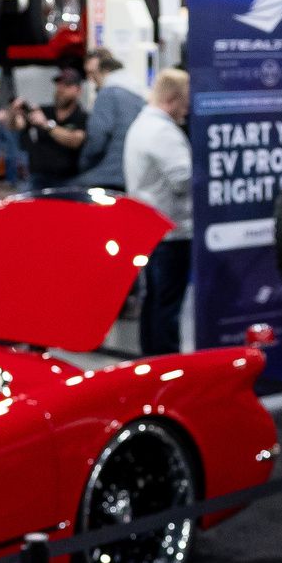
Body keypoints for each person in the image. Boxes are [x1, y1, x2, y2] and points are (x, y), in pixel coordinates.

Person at [124, 70, 195, 355]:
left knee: (153, 304)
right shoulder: (163, 132)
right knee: (167, 309)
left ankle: (151, 364)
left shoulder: (141, 125)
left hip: (151, 230)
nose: (187, 111)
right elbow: (184, 179)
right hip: (171, 232)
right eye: (185, 103)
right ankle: (167, 368)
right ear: (171, 99)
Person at [73, 48, 140, 191]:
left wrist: (82, 164)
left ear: (105, 70)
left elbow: (97, 138)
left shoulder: (108, 94)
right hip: (131, 176)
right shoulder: (138, 95)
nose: (91, 79)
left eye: (93, 73)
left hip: (106, 176)